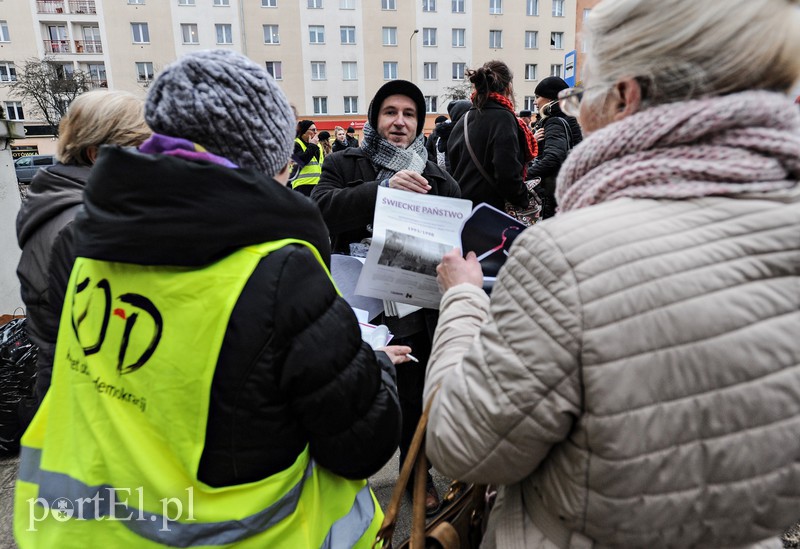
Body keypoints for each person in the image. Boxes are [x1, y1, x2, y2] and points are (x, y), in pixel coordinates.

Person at [425, 0, 800, 547]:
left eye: (583, 95)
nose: (578, 114)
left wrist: (463, 301)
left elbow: (463, 443)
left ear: (625, 96)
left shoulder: (568, 255)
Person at [15, 49, 408, 548]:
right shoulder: (281, 271)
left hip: (74, 529)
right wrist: (375, 366)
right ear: (265, 157)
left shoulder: (89, 239)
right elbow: (362, 444)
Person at [312, 79, 461, 515]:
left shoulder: (438, 177)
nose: (400, 121)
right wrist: (384, 192)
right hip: (357, 305)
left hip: (414, 306)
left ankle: (416, 474)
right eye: (391, 112)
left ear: (420, 123)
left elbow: (455, 235)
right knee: (354, 390)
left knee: (414, 396)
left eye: (410, 114)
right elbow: (321, 209)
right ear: (376, 118)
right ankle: (342, 480)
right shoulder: (345, 162)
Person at [16, 90, 151, 410]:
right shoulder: (80, 224)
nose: (153, 159)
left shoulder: (64, 203)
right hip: (87, 401)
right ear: (96, 155)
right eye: (141, 149)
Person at [447, 60, 538, 211]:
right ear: (508, 88)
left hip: (464, 209)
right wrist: (523, 199)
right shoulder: (504, 118)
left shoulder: (464, 119)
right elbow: (507, 171)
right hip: (491, 211)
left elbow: (454, 164)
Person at [526, 76, 583, 218]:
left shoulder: (554, 122)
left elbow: (553, 157)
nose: (534, 102)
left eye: (538, 96)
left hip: (551, 191)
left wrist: (525, 175)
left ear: (550, 99)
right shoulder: (567, 117)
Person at [290, 119, 323, 196]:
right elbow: (301, 161)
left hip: (317, 185)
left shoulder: (317, 145)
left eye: (316, 130)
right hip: (302, 185)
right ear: (304, 131)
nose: (315, 132)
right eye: (313, 130)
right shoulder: (295, 144)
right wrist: (312, 146)